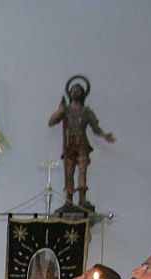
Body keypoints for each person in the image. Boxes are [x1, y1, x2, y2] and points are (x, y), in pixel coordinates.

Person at [47, 77, 115, 211]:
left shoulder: (86, 111)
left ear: (83, 94)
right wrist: (59, 112)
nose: (76, 93)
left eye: (79, 91)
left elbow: (95, 127)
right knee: (69, 172)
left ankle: (82, 198)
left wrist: (104, 135)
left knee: (82, 170)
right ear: (70, 93)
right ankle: (69, 198)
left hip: (82, 143)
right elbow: (51, 122)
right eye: (74, 90)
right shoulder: (65, 110)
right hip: (70, 145)